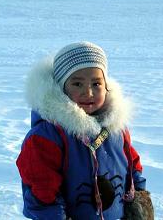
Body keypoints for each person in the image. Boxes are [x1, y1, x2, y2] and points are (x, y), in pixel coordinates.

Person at [16, 41, 153, 220]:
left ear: (106, 86)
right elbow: (41, 189)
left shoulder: (116, 129)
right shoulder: (47, 136)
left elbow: (132, 165)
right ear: (61, 87)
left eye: (96, 84)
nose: (88, 92)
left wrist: (139, 200)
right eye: (77, 84)